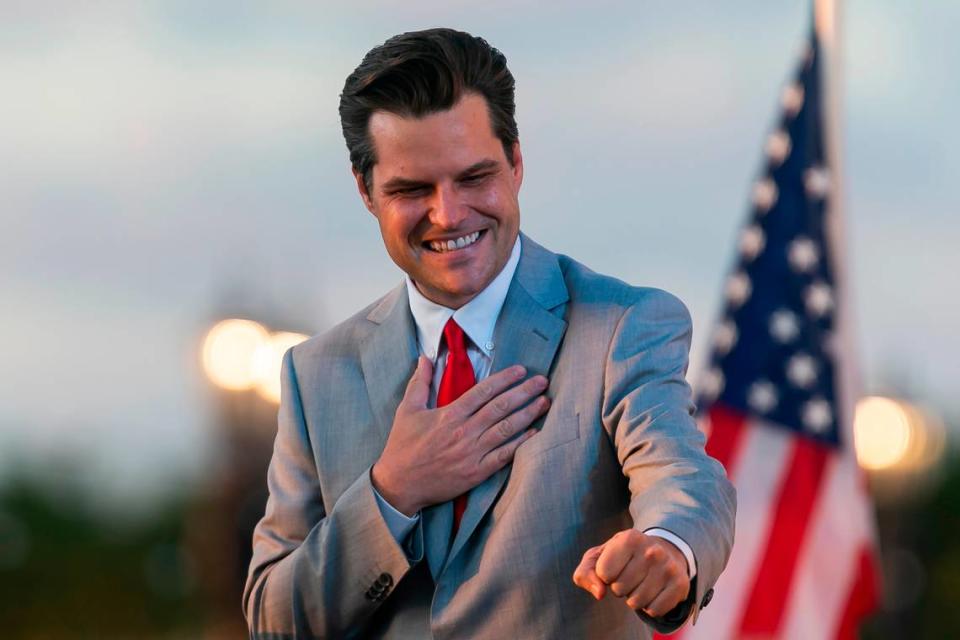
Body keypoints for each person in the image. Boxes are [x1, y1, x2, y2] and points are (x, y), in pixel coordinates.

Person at [243, 28, 736, 639]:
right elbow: (273, 619)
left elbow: (683, 475)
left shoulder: (620, 326)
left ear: (516, 162)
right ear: (365, 190)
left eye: (474, 178)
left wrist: (669, 548)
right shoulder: (314, 374)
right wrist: (392, 491)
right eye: (412, 189)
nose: (448, 214)